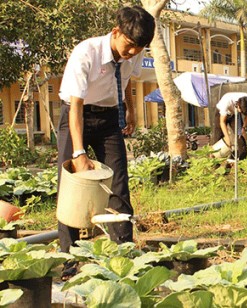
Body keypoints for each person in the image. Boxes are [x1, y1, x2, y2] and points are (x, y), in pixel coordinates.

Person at [57, 6, 155, 278]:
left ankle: (124, 253)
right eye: (130, 45)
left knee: (118, 184)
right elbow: (75, 105)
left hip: (109, 118)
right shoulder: (85, 53)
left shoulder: (136, 51)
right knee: (70, 186)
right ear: (116, 32)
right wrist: (78, 152)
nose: (133, 52)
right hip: (76, 114)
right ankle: (70, 261)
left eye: (140, 47)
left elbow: (125, 81)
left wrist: (130, 109)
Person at [211, 92, 247, 160]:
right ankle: (215, 162)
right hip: (221, 114)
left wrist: (243, 127)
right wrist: (227, 138)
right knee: (218, 137)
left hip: (235, 114)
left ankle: (242, 159)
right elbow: (222, 122)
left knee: (240, 135)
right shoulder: (226, 102)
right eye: (241, 111)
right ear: (238, 106)